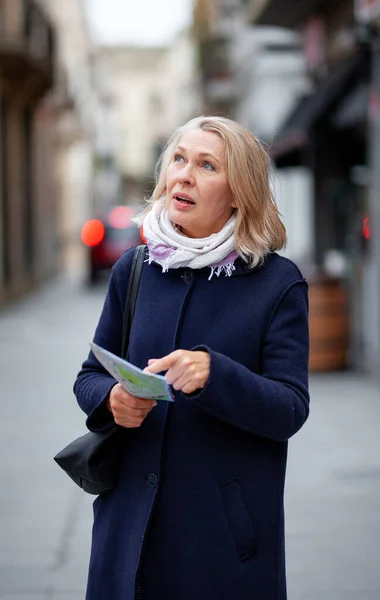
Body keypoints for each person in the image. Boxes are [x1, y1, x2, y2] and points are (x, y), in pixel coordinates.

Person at [73, 115, 310, 600]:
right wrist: (113, 397)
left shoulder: (277, 284)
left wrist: (215, 375)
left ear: (239, 191)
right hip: (129, 532)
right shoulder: (134, 269)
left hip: (221, 543)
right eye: (179, 159)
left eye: (207, 166)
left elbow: (289, 408)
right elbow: (90, 376)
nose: (184, 174)